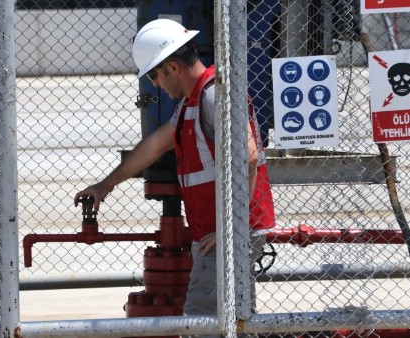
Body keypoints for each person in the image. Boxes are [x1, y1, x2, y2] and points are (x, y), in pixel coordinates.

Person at [74, 18, 276, 337]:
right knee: (232, 322)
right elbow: (154, 146)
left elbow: (248, 158)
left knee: (202, 322)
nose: (154, 84)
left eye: (154, 74)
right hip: (219, 232)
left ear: (171, 67)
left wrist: (230, 230)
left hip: (225, 234)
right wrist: (105, 185)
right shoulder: (191, 102)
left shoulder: (213, 95)